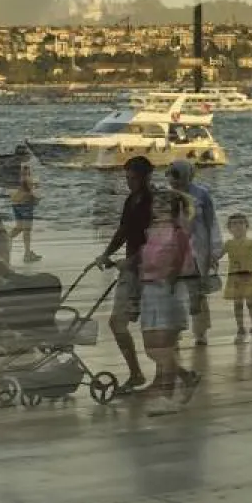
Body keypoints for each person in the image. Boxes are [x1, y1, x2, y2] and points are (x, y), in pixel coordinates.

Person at [139, 188, 202, 417]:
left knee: (163, 347)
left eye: (166, 204)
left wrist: (186, 293)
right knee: (151, 347)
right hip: (149, 290)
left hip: (169, 291)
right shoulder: (150, 231)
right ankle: (186, 377)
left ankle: (167, 398)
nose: (160, 207)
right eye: (158, 203)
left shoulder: (179, 233)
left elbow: (181, 267)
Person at [95, 156, 155, 391]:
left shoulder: (153, 202)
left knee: (149, 327)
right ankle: (137, 373)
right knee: (118, 322)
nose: (129, 182)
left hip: (146, 270)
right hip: (131, 269)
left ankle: (164, 374)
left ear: (146, 177)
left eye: (133, 178)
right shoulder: (131, 200)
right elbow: (123, 230)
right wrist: (107, 253)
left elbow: (154, 242)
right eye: (127, 178)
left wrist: (131, 261)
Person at [167, 159, 221, 345]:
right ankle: (175, 333)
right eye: (171, 177)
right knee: (173, 293)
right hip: (174, 250)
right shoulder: (166, 196)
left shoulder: (202, 195)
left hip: (198, 249)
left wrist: (215, 250)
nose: (174, 182)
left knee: (197, 292)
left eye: (178, 178)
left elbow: (211, 222)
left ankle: (201, 332)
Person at [218, 212, 252, 342]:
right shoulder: (228, 244)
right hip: (234, 279)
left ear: (246, 226)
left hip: (249, 277)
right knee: (237, 304)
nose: (238, 226)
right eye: (234, 224)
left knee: (251, 303)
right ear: (229, 228)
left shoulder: (251, 242)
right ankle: (240, 327)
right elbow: (218, 255)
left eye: (241, 223)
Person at [7, 145, 41, 264]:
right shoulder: (24, 167)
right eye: (27, 154)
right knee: (26, 229)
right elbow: (26, 183)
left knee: (19, 227)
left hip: (15, 202)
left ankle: (5, 240)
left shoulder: (12, 167)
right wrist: (34, 196)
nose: (29, 156)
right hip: (25, 202)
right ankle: (27, 254)